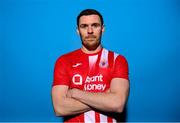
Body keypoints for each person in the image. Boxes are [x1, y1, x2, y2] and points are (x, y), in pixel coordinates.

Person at [51, 9, 129, 123]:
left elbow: (117, 104)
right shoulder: (64, 61)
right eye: (84, 26)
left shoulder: (118, 60)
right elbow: (59, 108)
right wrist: (105, 98)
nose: (90, 31)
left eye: (95, 25)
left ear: (103, 29)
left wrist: (75, 93)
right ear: (78, 30)